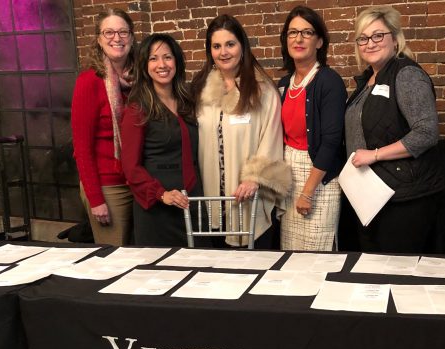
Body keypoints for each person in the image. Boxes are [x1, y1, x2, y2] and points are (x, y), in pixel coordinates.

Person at [344, 6, 444, 253]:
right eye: (363, 38)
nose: (370, 43)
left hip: (404, 197)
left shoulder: (406, 74)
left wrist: (375, 154)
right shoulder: (368, 79)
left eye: (378, 35)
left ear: (395, 38)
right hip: (371, 194)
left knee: (396, 271)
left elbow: (426, 132)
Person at [191, 14, 291, 248]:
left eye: (230, 44)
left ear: (242, 47)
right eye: (216, 46)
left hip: (248, 196)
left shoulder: (262, 90)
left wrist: (255, 177)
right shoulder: (200, 90)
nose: (223, 52)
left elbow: (272, 136)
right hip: (211, 197)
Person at [120, 34, 207, 247]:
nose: (162, 64)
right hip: (159, 210)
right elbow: (130, 168)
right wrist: (161, 194)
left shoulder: (188, 101)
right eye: (153, 59)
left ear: (176, 61)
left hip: (193, 203)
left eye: (167, 57)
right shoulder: (137, 109)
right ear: (144, 66)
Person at [278, 6, 346, 251]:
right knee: (290, 251)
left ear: (319, 41)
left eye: (307, 32)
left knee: (317, 252)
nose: (298, 39)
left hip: (318, 178)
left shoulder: (329, 81)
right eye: (292, 32)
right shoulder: (285, 83)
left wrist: (307, 192)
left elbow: (331, 141)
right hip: (290, 174)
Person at [71, 8, 135, 245]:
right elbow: (82, 148)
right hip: (109, 187)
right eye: (108, 32)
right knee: (114, 257)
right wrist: (95, 198)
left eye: (122, 32)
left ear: (131, 37)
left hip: (138, 183)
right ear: (98, 39)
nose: (116, 38)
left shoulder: (141, 78)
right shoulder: (89, 81)